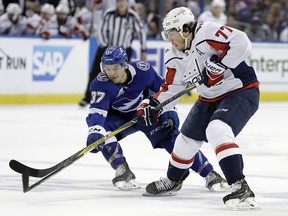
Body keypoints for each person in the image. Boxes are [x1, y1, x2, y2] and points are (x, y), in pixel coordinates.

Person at [137, 7, 260, 210]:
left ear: (185, 29)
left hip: (240, 90)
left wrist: (220, 65)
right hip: (209, 97)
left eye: (171, 33)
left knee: (217, 130)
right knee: (185, 141)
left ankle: (240, 187)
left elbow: (242, 42)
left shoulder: (207, 33)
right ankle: (173, 180)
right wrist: (154, 104)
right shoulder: (173, 53)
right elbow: (172, 87)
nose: (169, 39)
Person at [85, 45, 229, 191]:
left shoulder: (143, 71)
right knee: (102, 133)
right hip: (118, 118)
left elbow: (164, 91)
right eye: (107, 68)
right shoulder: (100, 84)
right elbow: (97, 111)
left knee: (171, 138)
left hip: (144, 113)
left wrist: (169, 110)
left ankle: (210, 174)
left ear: (125, 64)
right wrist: (95, 130)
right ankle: (122, 169)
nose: (111, 73)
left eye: (115, 67)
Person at [79, 0, 147, 107]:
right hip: (106, 48)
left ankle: (118, 101)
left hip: (123, 51)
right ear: (116, 2)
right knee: (95, 73)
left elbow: (141, 32)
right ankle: (88, 98)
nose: (122, 4)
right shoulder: (108, 14)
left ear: (127, 3)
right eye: (119, 1)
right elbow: (100, 30)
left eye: (124, 1)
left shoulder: (133, 16)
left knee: (121, 76)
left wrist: (144, 49)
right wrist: (105, 46)